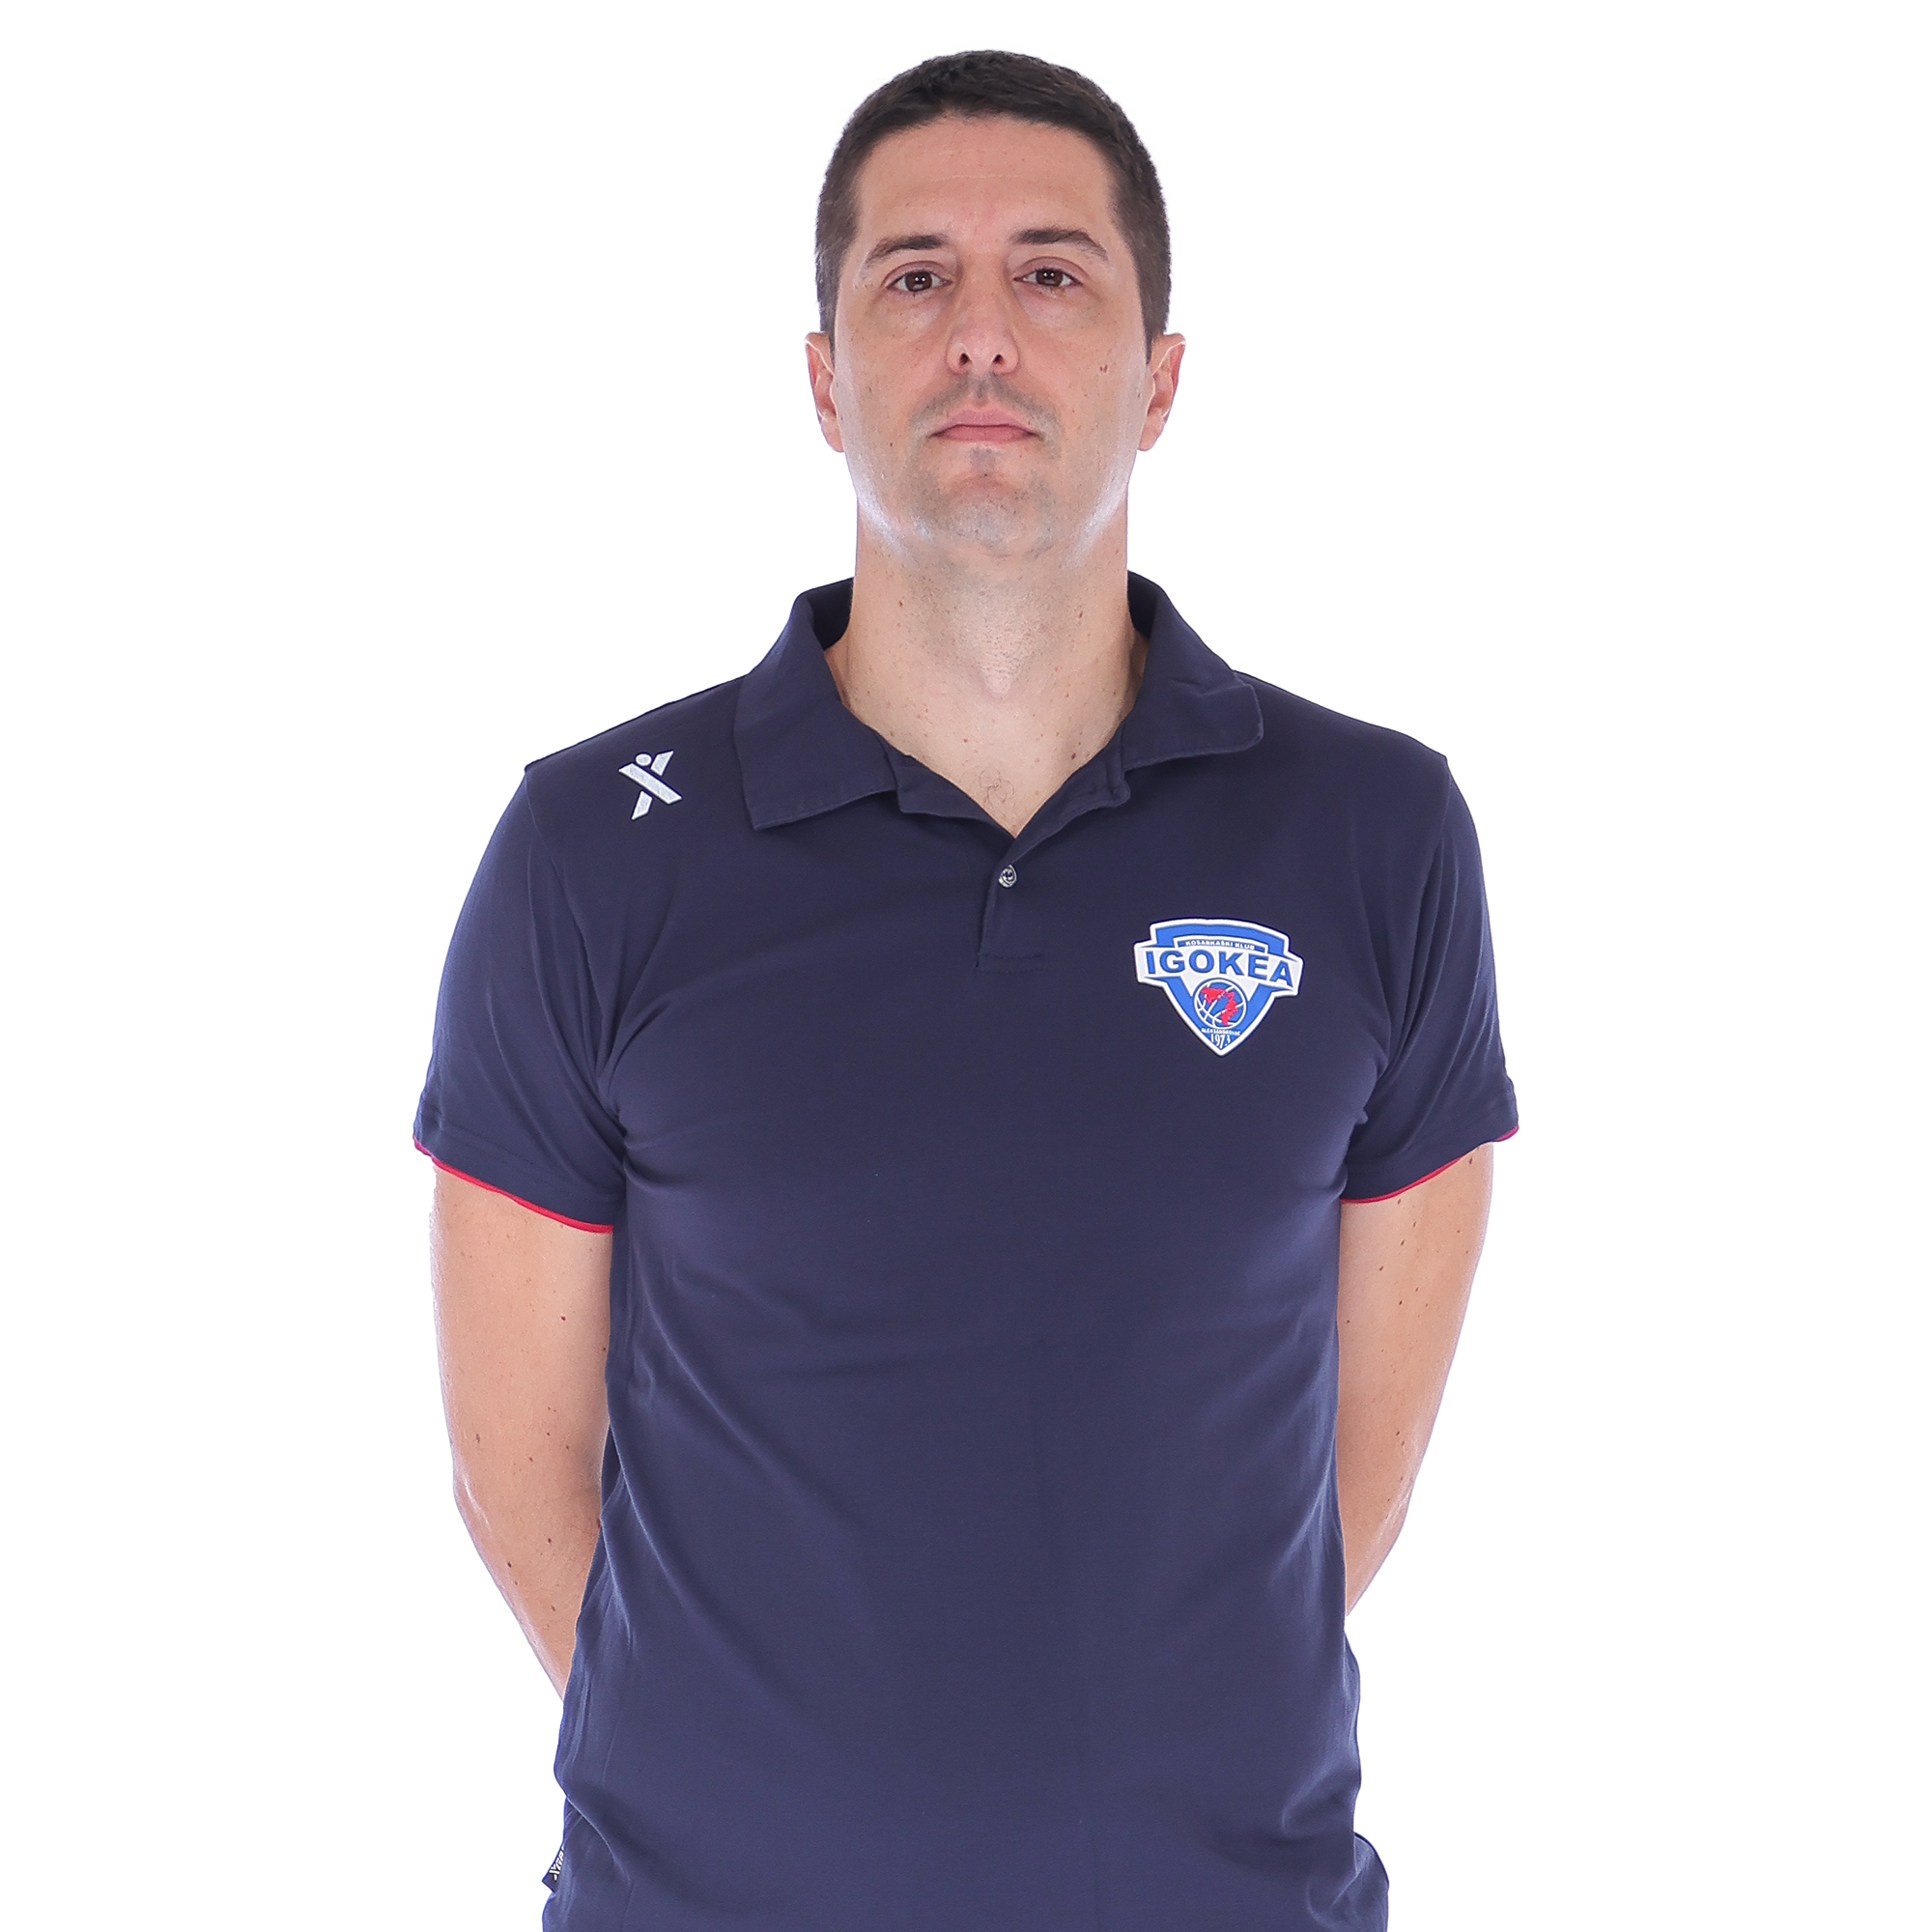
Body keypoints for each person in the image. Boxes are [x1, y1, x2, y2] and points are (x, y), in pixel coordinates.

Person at [415, 47, 1518, 1932]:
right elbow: (516, 1470)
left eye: (1053, 274)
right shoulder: (595, 846)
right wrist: (763, 1804)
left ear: (1160, 377)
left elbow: (1349, 1479)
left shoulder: (1372, 831)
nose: (983, 332)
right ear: (824, 374)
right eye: (914, 275)